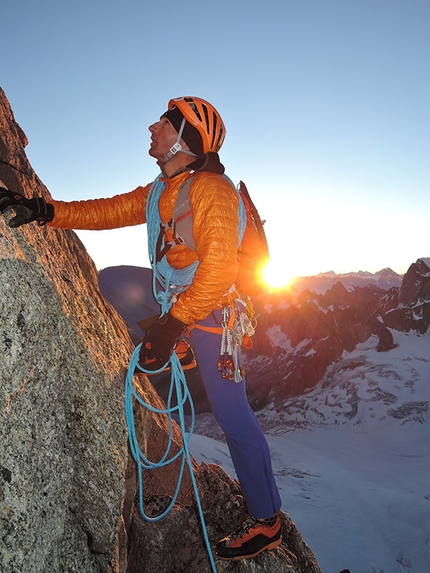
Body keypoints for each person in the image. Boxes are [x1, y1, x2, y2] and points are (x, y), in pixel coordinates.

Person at [0, 96, 282, 560]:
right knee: (121, 288)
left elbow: (219, 272)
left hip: (211, 317)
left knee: (233, 416)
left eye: (165, 123)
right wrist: (46, 210)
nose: (154, 126)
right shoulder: (162, 189)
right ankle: (181, 343)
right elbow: (109, 211)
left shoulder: (212, 190)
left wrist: (172, 327)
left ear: (186, 139)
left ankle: (267, 518)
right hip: (178, 306)